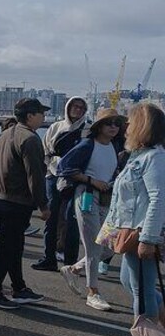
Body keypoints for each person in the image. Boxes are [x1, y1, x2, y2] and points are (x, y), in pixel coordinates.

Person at [102, 103, 165, 336]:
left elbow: (158, 198)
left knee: (141, 288)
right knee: (133, 283)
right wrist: (110, 231)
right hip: (130, 230)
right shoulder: (139, 156)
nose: (126, 126)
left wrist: (148, 238)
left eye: (131, 122)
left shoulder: (154, 158)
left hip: (141, 232)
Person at [0, 98, 51, 310]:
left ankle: (19, 287)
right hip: (16, 202)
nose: (43, 117)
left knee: (13, 246)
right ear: (30, 116)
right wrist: (43, 206)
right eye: (40, 113)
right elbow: (35, 176)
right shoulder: (30, 139)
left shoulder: (4, 134)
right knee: (8, 247)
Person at [56, 108, 124, 311]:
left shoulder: (115, 146)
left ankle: (74, 269)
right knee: (94, 246)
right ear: (99, 126)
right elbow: (63, 167)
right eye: (109, 123)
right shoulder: (87, 145)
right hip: (86, 196)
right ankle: (93, 292)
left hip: (106, 198)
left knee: (110, 245)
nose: (113, 126)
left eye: (116, 123)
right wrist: (91, 180)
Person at [33, 96, 88, 271]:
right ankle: (49, 257)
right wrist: (52, 168)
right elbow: (45, 150)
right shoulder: (56, 127)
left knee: (73, 220)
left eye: (81, 107)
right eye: (75, 106)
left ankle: (70, 262)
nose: (77, 110)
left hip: (76, 179)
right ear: (68, 108)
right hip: (54, 175)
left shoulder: (88, 130)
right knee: (51, 217)